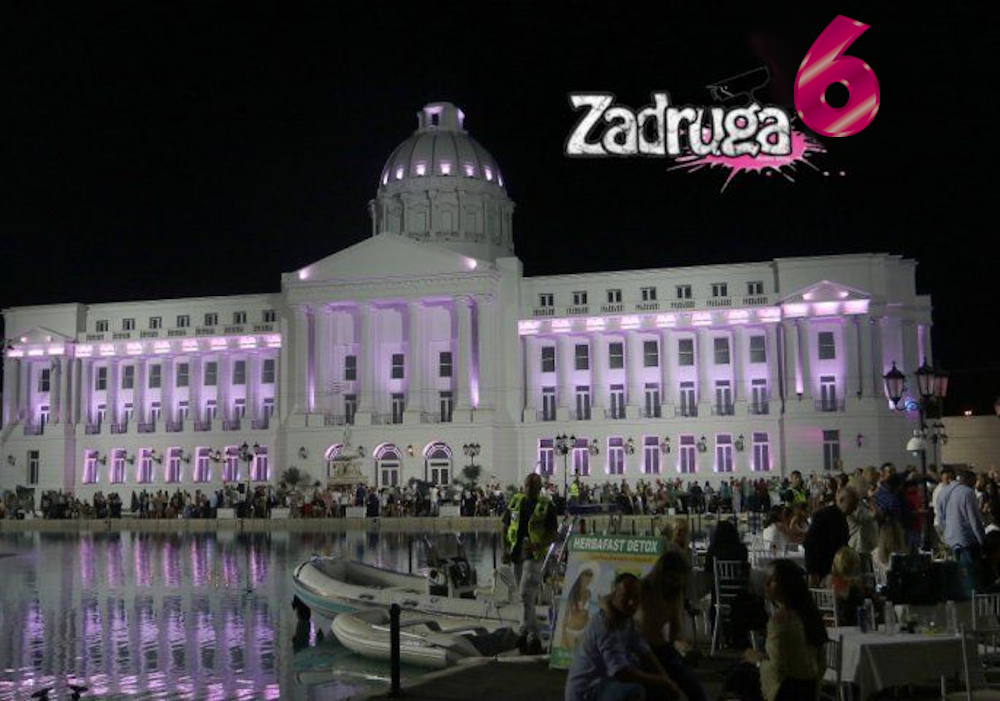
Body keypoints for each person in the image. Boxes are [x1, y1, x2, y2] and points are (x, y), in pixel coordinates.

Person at [565, 572, 680, 701]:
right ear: (614, 594)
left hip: (605, 683)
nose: (631, 602)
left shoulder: (626, 620)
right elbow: (620, 671)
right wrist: (661, 681)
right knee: (635, 690)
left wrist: (666, 680)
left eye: (636, 598)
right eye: (626, 596)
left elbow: (644, 651)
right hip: (587, 691)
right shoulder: (607, 623)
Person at [732, 560, 826, 701]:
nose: (766, 583)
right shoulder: (809, 615)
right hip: (809, 689)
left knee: (738, 676)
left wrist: (758, 661)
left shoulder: (780, 621)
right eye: (766, 578)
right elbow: (817, 661)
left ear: (787, 585)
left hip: (787, 692)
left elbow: (777, 670)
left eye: (773, 580)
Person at [635, 550, 707, 701]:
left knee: (693, 687)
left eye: (678, 580)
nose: (674, 583)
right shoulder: (642, 588)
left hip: (662, 647)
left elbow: (675, 625)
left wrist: (677, 646)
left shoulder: (673, 593)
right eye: (672, 578)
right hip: (639, 649)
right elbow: (610, 601)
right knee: (659, 689)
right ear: (662, 574)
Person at [503, 472, 559, 652]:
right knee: (525, 600)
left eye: (533, 486)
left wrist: (539, 544)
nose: (528, 489)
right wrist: (504, 549)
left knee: (525, 594)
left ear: (539, 488)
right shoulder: (515, 502)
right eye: (527, 485)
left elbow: (553, 534)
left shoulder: (546, 506)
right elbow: (504, 525)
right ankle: (534, 638)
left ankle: (522, 633)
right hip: (516, 554)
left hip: (535, 557)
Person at [943, 470, 987, 597]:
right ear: (969, 480)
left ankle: (961, 596)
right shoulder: (968, 493)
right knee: (971, 574)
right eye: (974, 481)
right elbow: (974, 519)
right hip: (966, 540)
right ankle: (972, 598)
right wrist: (982, 540)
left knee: (958, 573)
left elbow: (941, 516)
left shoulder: (946, 491)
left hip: (951, 539)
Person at [802, 486, 857, 586]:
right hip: (822, 568)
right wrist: (812, 571)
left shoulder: (842, 518)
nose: (854, 508)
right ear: (841, 500)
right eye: (852, 504)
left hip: (834, 568)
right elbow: (809, 542)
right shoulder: (824, 515)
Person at [562, 566, 596, 649]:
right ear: (581, 576)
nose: (588, 578)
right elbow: (566, 614)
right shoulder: (573, 592)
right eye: (586, 575)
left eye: (590, 576)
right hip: (571, 631)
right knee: (571, 654)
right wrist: (563, 635)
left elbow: (586, 614)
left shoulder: (588, 593)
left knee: (580, 655)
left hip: (583, 631)